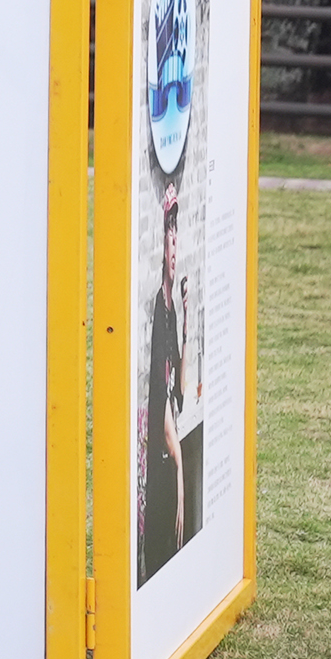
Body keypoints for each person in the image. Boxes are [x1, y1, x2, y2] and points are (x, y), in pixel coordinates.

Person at [140, 186, 189, 578]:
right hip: (163, 458)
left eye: (178, 242)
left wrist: (189, 327)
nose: (174, 252)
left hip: (172, 457)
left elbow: (182, 394)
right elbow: (164, 405)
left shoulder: (174, 311)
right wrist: (178, 470)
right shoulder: (160, 309)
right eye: (169, 242)